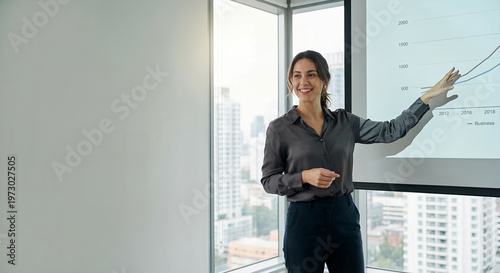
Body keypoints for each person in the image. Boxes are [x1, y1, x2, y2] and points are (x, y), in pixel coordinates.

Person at [260, 50, 458, 273]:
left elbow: (390, 131)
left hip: (344, 217)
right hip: (304, 221)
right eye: (297, 76)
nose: (303, 82)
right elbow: (268, 180)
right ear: (291, 81)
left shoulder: (345, 121)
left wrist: (426, 98)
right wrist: (304, 177)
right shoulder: (279, 128)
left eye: (311, 74)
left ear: (324, 80)